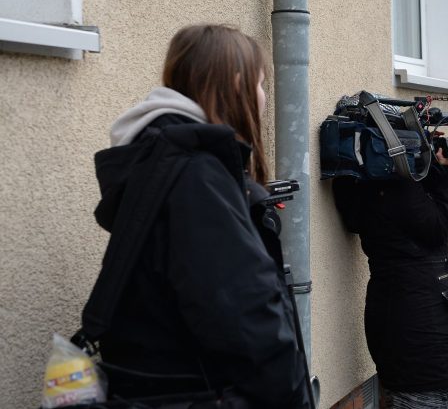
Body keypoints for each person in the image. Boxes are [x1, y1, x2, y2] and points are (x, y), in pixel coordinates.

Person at [88, 25, 310, 407]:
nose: (263, 98)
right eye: (260, 84)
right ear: (237, 83)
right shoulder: (196, 176)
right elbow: (248, 319)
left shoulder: (163, 161)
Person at [332, 130, 448, 408]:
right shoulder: (400, 189)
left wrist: (433, 169)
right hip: (421, 335)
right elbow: (438, 228)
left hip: (395, 322)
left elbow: (408, 219)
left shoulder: (366, 185)